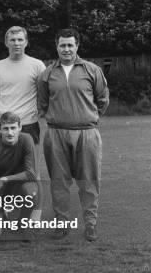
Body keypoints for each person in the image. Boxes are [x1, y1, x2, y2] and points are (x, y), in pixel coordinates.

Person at [38, 28, 109, 241]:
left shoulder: (92, 70)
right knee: (59, 182)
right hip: (56, 133)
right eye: (62, 45)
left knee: (89, 181)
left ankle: (90, 224)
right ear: (57, 47)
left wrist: (88, 117)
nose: (66, 49)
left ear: (77, 46)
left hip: (87, 133)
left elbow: (102, 99)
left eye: (70, 45)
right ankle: (62, 224)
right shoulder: (47, 73)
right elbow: (42, 102)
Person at [0, 112, 39, 243]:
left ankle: (23, 223)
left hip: (17, 189)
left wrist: (5, 179)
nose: (10, 133)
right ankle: (1, 214)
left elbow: (32, 174)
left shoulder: (27, 140)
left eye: (13, 128)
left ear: (20, 127)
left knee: (31, 190)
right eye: (6, 128)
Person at [0, 26, 46, 144]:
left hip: (28, 124)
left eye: (20, 40)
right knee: (2, 162)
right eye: (13, 40)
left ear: (26, 42)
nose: (17, 43)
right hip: (3, 124)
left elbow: (43, 93)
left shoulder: (37, 65)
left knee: (29, 162)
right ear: (6, 43)